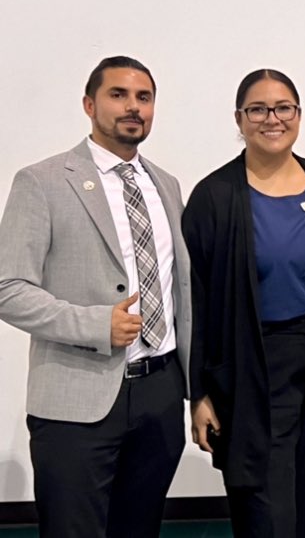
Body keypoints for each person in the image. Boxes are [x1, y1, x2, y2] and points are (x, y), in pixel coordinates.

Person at [0, 56, 191, 537]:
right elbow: (8, 288)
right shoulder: (42, 181)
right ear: (89, 104)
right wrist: (94, 325)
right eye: (118, 95)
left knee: (139, 528)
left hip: (159, 392)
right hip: (75, 400)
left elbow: (182, 288)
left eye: (143, 98)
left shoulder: (166, 185)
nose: (133, 107)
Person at [182, 69, 305, 537]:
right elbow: (195, 301)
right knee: (266, 511)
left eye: (283, 108)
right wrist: (198, 393)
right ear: (239, 118)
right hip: (254, 370)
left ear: (299, 115)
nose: (271, 119)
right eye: (258, 109)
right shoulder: (214, 197)